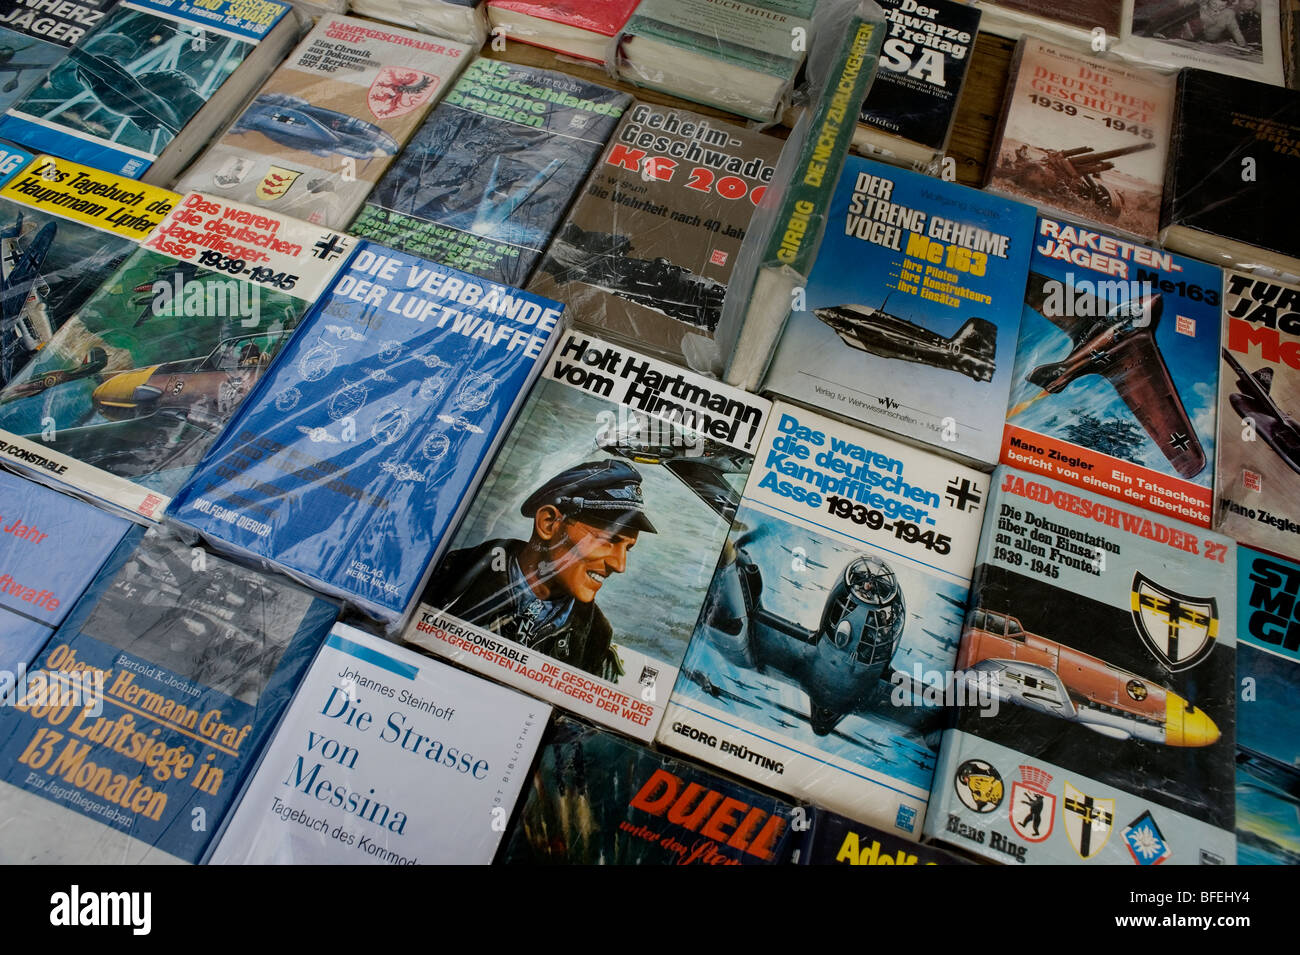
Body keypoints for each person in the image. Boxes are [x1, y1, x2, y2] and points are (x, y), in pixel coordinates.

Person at [426, 459, 656, 682]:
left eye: (628, 549)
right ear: (548, 523)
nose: (619, 565)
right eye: (607, 540)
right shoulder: (451, 572)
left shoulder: (596, 635)